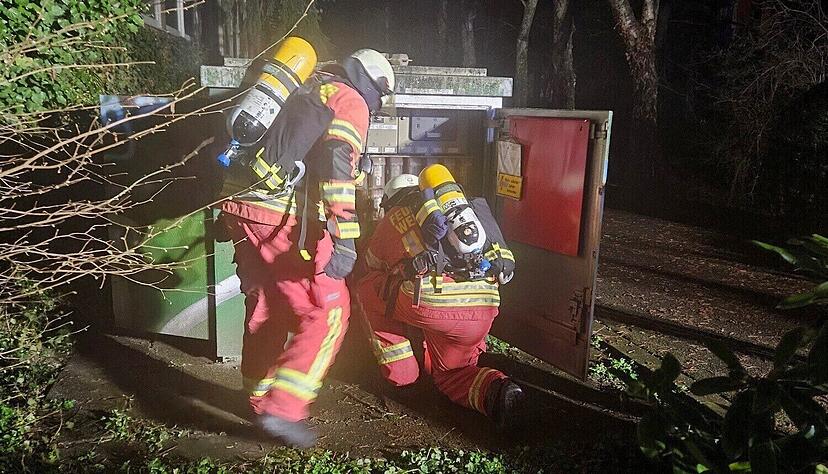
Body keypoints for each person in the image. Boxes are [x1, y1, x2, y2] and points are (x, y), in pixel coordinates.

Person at [218, 48, 395, 447]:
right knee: (327, 311)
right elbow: (336, 160)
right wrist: (345, 235)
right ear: (374, 85)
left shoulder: (307, 88)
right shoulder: (349, 99)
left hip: (241, 208)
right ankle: (284, 410)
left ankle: (259, 400)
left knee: (265, 306)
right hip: (281, 218)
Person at [355, 174, 524, 429]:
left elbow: (371, 263)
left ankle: (402, 376)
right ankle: (498, 391)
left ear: (390, 200)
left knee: (368, 289)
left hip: (433, 304)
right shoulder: (461, 214)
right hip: (485, 305)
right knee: (453, 375)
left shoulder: (395, 216)